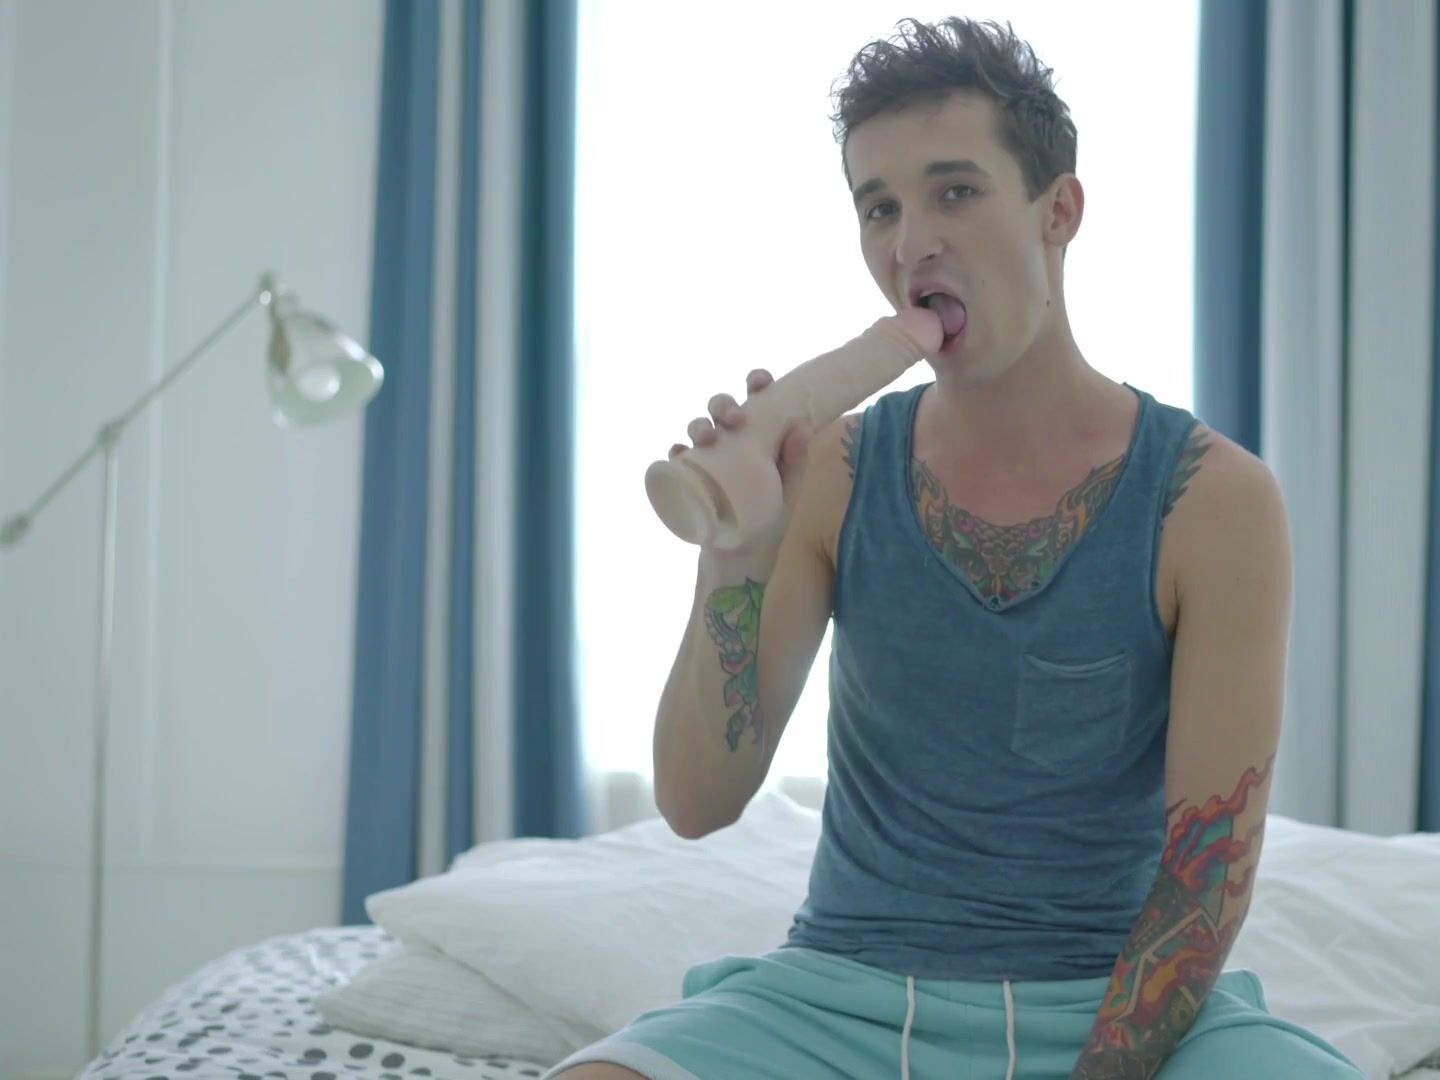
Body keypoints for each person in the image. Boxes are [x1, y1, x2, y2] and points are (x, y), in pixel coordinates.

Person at [548, 16, 1362, 1080]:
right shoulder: (834, 473)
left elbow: (1204, 879)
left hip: (1120, 1008)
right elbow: (697, 803)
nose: (910, 244)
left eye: (956, 192)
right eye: (879, 206)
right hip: (843, 999)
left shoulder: (1215, 500)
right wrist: (736, 555)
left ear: (1059, 210)